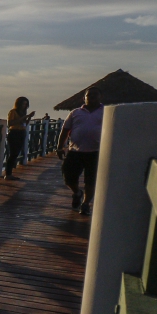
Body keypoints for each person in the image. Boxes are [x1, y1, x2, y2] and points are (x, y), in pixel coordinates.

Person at [56, 86, 103, 216]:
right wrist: (59, 147)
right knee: (68, 177)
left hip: (96, 152)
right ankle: (77, 192)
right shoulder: (75, 112)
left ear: (100, 97)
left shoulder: (106, 112)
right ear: (84, 98)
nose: (92, 97)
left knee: (91, 180)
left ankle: (86, 203)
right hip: (75, 151)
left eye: (95, 95)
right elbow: (65, 130)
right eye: (89, 95)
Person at [5, 96, 35, 179]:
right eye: (23, 104)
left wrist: (29, 117)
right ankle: (8, 174)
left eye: (26, 104)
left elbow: (25, 124)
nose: (24, 106)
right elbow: (10, 123)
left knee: (16, 153)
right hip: (14, 133)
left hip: (22, 132)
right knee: (13, 154)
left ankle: (10, 173)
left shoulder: (23, 112)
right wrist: (24, 117)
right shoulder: (13, 112)